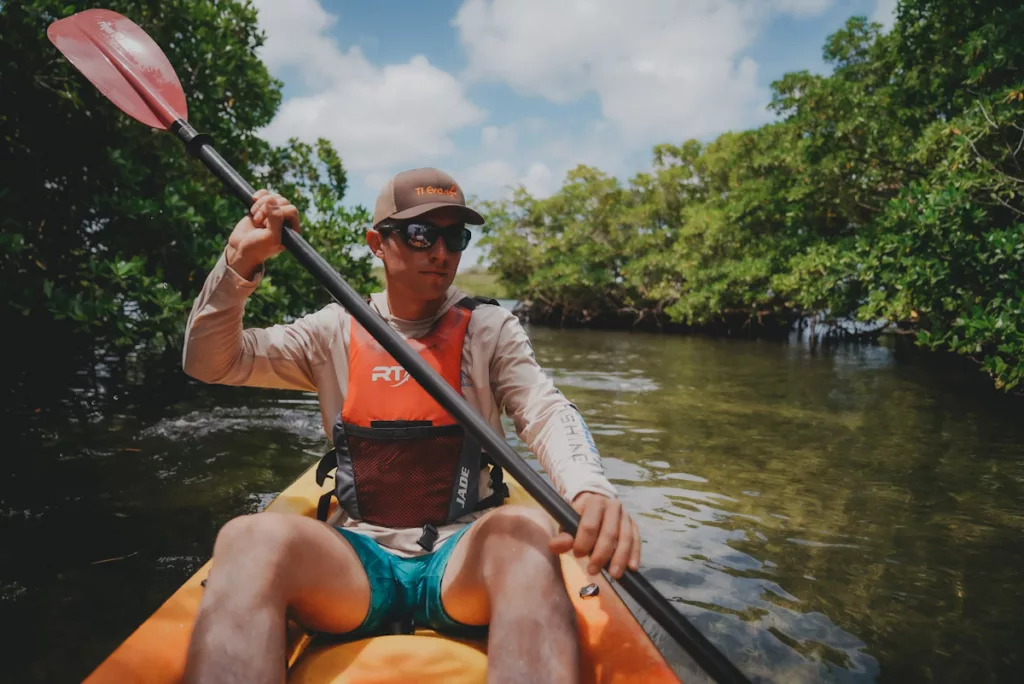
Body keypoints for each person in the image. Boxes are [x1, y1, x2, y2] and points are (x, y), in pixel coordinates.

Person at [179, 167, 641, 684]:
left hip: (460, 560)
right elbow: (210, 363)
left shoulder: (488, 328)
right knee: (246, 537)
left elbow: (546, 409)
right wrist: (240, 263)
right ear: (378, 243)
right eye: (421, 234)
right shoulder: (333, 329)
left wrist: (589, 488)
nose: (440, 252)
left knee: (527, 530)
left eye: (454, 237)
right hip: (357, 560)